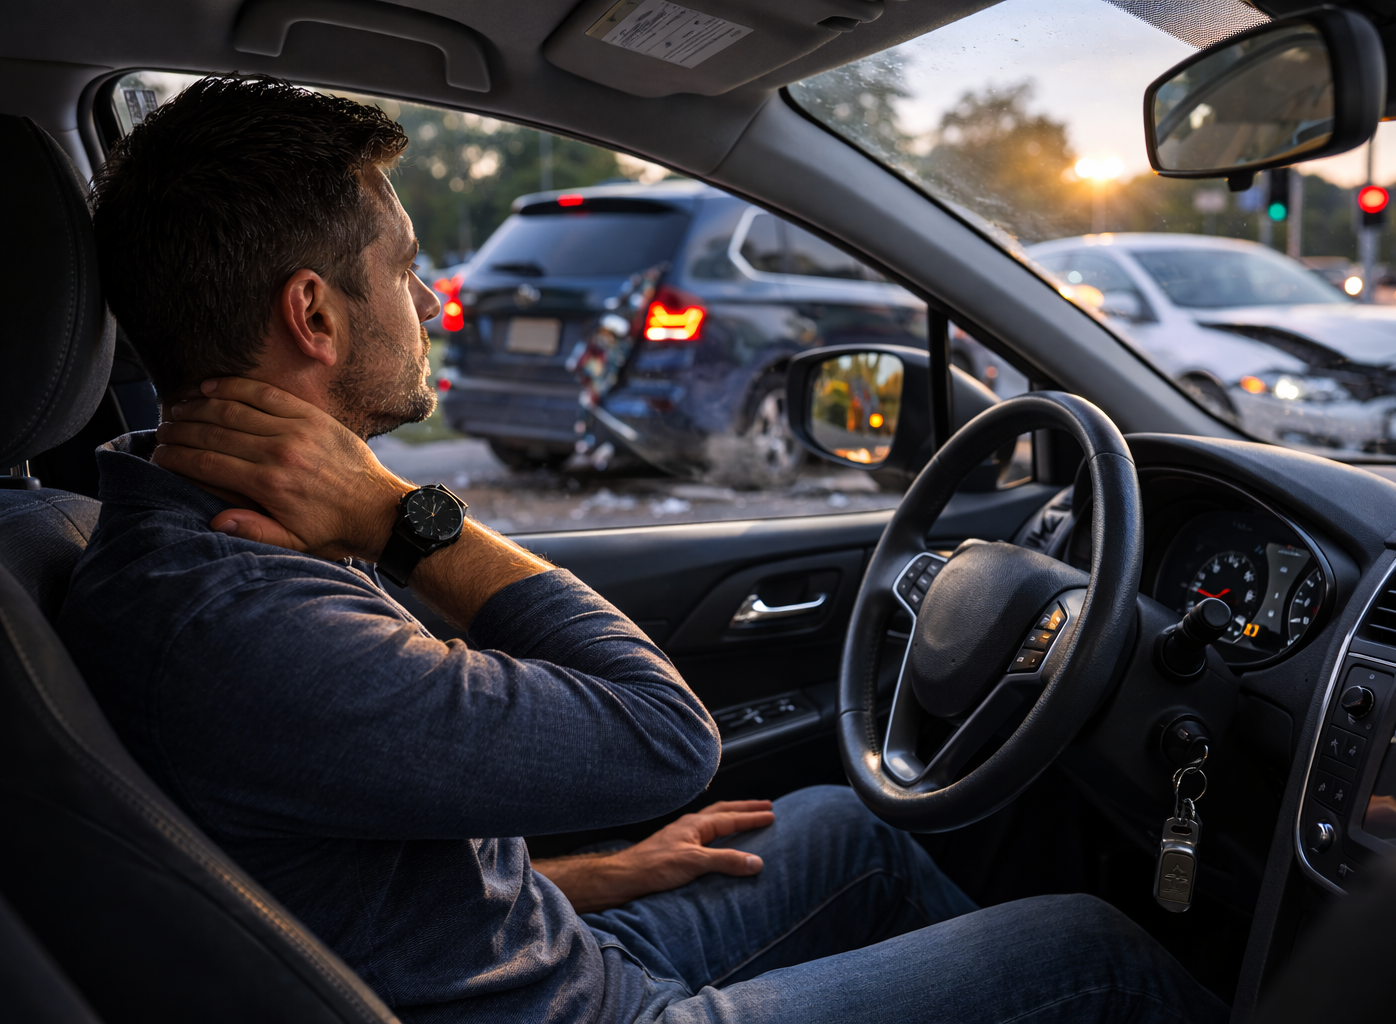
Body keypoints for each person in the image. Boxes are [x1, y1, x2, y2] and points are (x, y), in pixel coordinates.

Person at [63, 74, 1227, 1024]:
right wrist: (406, 516)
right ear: (312, 315)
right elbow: (668, 739)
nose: (428, 295)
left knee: (850, 832)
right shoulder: (240, 616)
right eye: (405, 264)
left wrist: (597, 874)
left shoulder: (173, 541)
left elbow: (337, 884)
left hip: (538, 952)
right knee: (1092, 954)